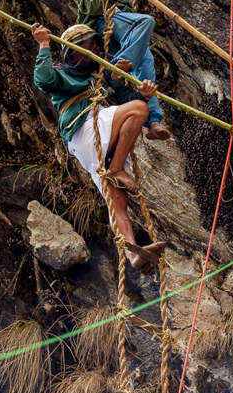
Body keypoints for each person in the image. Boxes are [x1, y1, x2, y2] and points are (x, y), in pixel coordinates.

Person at [31, 21, 165, 271]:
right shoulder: (60, 73)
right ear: (69, 54)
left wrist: (141, 92)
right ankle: (115, 167)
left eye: (92, 46)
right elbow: (43, 79)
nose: (89, 51)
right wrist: (43, 44)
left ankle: (132, 253)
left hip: (95, 135)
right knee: (138, 110)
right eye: (81, 48)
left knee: (116, 199)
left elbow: (127, 100)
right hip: (83, 128)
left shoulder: (100, 75)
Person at [64, 0, 172, 142]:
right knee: (145, 23)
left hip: (124, 25)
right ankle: (124, 62)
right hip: (104, 23)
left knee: (146, 61)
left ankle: (152, 122)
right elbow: (90, 5)